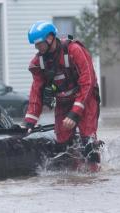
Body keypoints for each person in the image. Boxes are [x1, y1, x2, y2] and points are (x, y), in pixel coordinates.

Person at [23, 21, 101, 171]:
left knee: (88, 141)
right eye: (35, 45)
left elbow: (88, 81)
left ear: (51, 37)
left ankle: (93, 173)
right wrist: (29, 122)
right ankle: (72, 174)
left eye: (39, 43)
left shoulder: (74, 50)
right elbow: (36, 92)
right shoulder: (38, 63)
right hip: (63, 102)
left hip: (86, 98)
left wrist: (75, 113)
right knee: (63, 144)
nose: (37, 48)